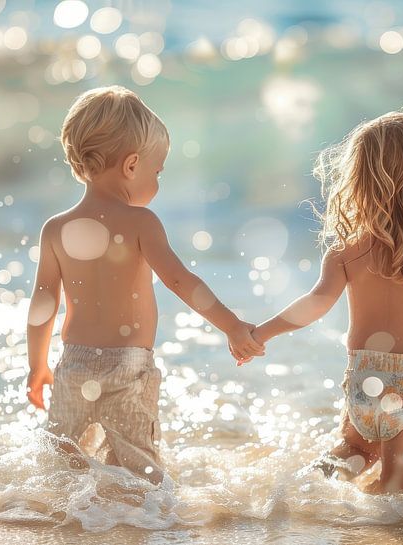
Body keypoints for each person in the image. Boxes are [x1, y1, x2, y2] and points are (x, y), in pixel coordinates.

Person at [241, 110, 403, 493]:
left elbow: (315, 303)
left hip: (364, 380)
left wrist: (263, 332)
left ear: (358, 181)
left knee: (352, 452)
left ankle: (296, 497)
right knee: (396, 485)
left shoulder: (346, 254)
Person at [25, 86, 264, 483]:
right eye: (158, 171)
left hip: (74, 365)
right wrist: (232, 326)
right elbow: (181, 281)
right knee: (140, 468)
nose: (158, 180)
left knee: (63, 461)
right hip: (128, 366)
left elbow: (42, 305)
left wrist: (37, 365)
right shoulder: (141, 223)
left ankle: (71, 521)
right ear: (132, 165)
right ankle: (140, 525)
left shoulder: (55, 228)